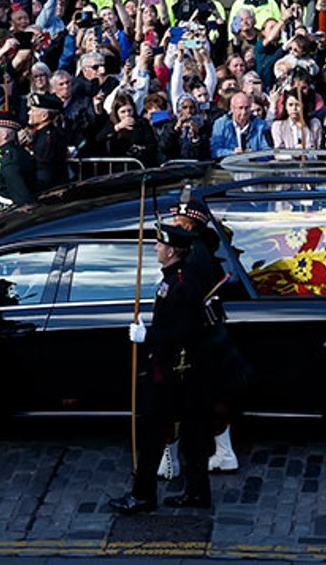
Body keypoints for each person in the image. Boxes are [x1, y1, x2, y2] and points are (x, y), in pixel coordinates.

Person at [111, 208, 246, 515]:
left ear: (171, 251)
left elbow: (182, 331)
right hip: (192, 373)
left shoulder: (178, 285)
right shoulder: (181, 277)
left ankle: (143, 495)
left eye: (160, 245)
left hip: (174, 373)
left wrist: (148, 337)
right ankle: (198, 493)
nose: (156, 249)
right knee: (195, 436)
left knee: (152, 435)